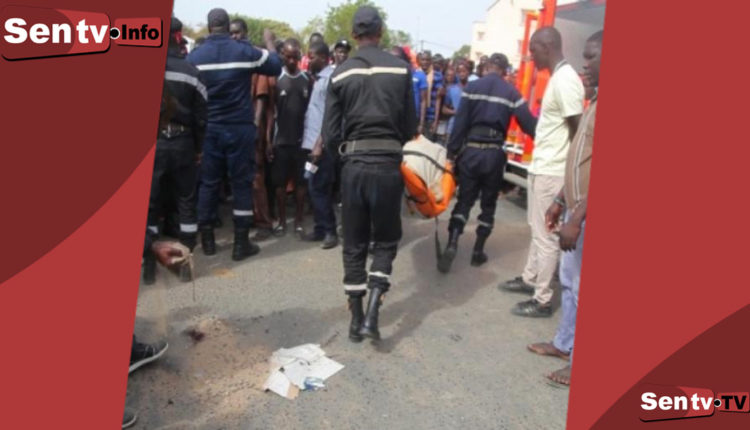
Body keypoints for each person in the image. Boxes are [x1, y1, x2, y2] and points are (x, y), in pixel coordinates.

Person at [323, 6, 417, 342]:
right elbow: (410, 125)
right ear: (381, 32)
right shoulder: (401, 70)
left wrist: (346, 160)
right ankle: (373, 314)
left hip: (354, 166)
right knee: (386, 240)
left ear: (353, 34)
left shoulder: (339, 74)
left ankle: (356, 320)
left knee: (354, 243)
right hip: (388, 166)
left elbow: (330, 134)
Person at [527, 30, 602, 386]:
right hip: (573, 206)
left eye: (591, 57)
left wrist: (579, 215)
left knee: (585, 289)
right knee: (570, 283)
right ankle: (564, 344)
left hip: (585, 213)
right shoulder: (596, 102)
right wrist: (561, 200)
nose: (584, 64)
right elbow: (578, 158)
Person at [499, 27, 584, 318]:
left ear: (546, 47)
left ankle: (542, 299)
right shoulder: (557, 78)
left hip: (553, 172)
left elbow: (578, 136)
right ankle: (530, 278)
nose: (530, 57)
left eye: (533, 50)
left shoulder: (566, 80)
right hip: (543, 167)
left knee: (547, 237)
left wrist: (565, 186)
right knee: (538, 231)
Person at [187, 9, 281, 260]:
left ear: (209, 27)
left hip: (210, 129)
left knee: (209, 183)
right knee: (241, 183)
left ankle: (208, 241)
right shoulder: (243, 51)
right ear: (229, 27)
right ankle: (241, 244)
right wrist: (269, 42)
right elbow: (275, 66)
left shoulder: (195, 57)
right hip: (239, 128)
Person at [437, 53, 537, 273]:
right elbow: (529, 125)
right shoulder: (511, 92)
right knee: (488, 204)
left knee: (464, 201)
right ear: (505, 71)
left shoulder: (472, 88)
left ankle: (452, 243)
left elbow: (460, 123)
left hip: (471, 152)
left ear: (487, 67)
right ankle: (477, 252)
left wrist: (452, 154)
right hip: (494, 155)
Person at [144, 17, 207, 284]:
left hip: (155, 145)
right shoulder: (192, 72)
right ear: (178, 37)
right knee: (186, 203)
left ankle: (149, 268)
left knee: (150, 204)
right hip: (183, 144)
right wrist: (199, 148)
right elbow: (202, 116)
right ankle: (185, 265)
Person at [269, 38, 312, 237]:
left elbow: (312, 111)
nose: (292, 61)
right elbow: (270, 111)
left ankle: (299, 221)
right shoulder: (276, 79)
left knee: (301, 183)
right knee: (279, 184)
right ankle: (282, 221)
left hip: (301, 142)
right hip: (281, 141)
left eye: (295, 57)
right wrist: (268, 141)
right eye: (288, 57)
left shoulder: (307, 80)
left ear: (299, 56)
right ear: (282, 56)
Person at [301, 42, 338, 249]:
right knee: (314, 188)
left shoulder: (328, 80)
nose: (308, 60)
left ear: (323, 57)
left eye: (312, 56)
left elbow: (329, 116)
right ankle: (320, 228)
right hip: (312, 142)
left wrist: (318, 145)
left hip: (321, 145)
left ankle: (330, 231)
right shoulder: (318, 79)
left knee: (319, 188)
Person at [417, 51, 443, 140]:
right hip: (417, 115)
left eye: (427, 60)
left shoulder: (437, 76)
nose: (425, 62)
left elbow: (438, 99)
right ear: (419, 61)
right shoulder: (415, 74)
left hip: (430, 116)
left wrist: (435, 121)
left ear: (431, 61)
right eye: (423, 60)